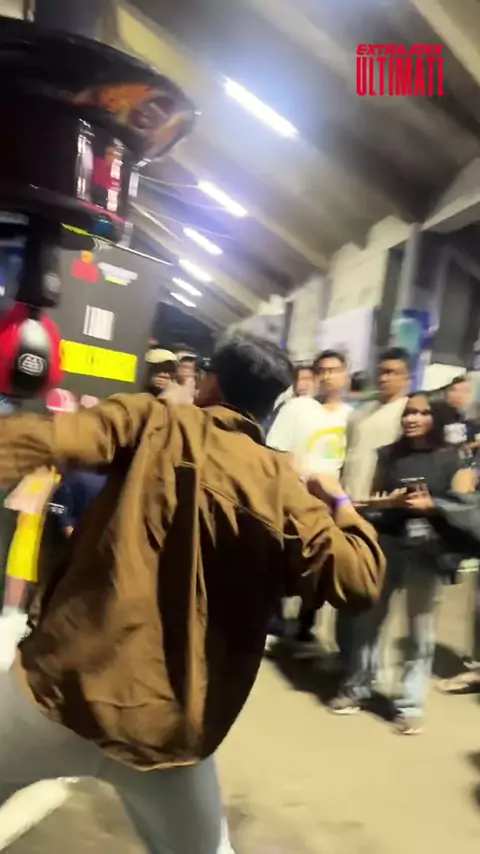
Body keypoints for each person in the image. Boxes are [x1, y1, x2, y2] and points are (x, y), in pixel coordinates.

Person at [0, 332, 385, 854]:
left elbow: (45, 440)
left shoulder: (151, 420)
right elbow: (360, 579)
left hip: (61, 688)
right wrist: (337, 499)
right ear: (268, 406)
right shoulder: (281, 488)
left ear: (209, 383)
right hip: (165, 730)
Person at [331, 393, 475, 733]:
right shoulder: (389, 455)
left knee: (419, 630)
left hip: (427, 551)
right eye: (409, 412)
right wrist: (390, 503)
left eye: (422, 413)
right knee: (368, 621)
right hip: (388, 545)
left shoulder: (452, 458)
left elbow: (465, 504)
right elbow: (372, 501)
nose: (412, 419)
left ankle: (410, 704)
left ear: (435, 418)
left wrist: (431, 506)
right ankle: (358, 687)